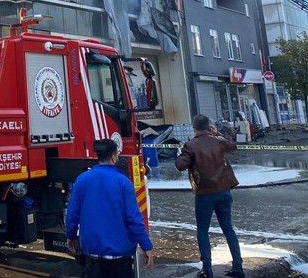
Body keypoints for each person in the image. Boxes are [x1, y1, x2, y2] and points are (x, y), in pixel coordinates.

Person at [66, 138, 154, 278]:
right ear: (114, 156)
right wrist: (146, 246)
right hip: (119, 257)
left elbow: (72, 214)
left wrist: (71, 236)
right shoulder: (123, 182)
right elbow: (134, 219)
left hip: (92, 253)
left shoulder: (82, 180)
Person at [175, 115, 244, 278]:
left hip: (204, 194)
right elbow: (233, 146)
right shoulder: (218, 141)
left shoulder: (191, 145)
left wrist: (180, 153)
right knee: (228, 228)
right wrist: (217, 133)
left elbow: (180, 165)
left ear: (194, 128)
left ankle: (207, 269)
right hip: (223, 191)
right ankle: (238, 267)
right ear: (209, 127)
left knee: (202, 230)